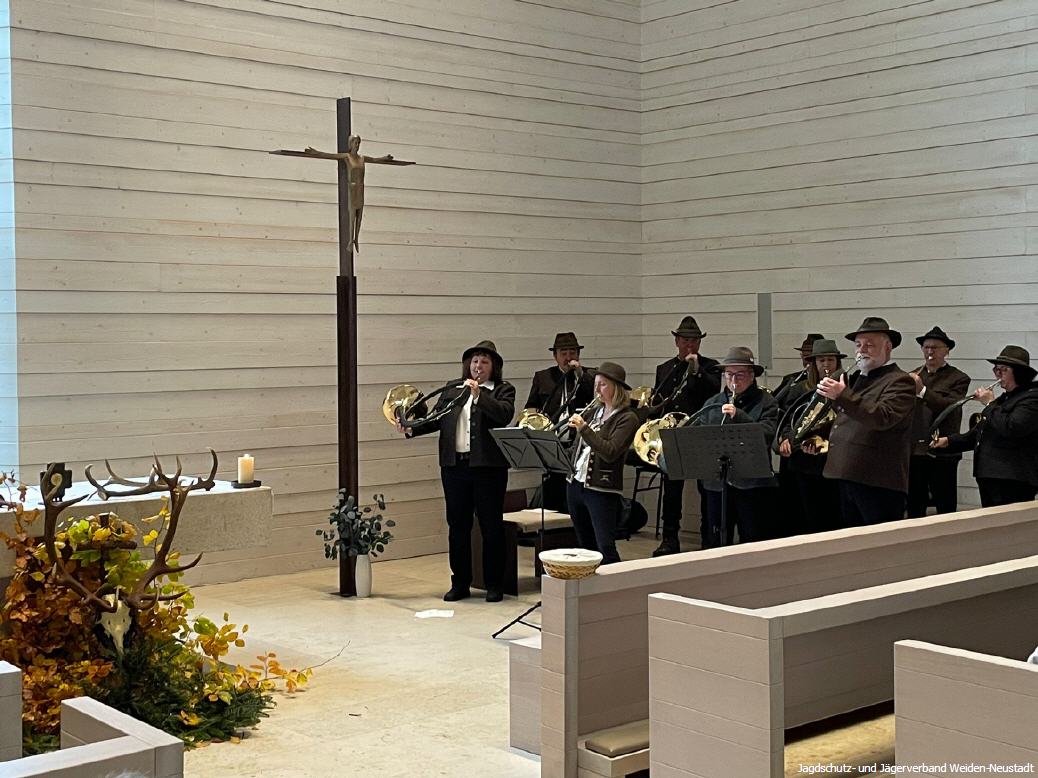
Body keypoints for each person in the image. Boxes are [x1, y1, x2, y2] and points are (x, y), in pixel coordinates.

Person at [398, 340, 516, 602]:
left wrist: (479, 396)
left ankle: (494, 584)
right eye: (475, 361)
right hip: (455, 467)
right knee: (458, 526)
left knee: (491, 527)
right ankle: (460, 582)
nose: (478, 366)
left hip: (488, 470)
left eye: (484, 362)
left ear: (493, 367)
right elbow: (437, 419)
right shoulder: (453, 389)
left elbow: (504, 415)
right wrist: (411, 428)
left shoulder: (502, 390)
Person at [818, 317, 917, 525]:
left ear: (888, 347)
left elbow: (882, 417)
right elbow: (848, 418)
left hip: (877, 480)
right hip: (846, 473)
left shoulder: (900, 380)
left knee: (878, 541)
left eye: (869, 345)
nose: (862, 350)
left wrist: (843, 395)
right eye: (858, 345)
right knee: (850, 538)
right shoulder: (856, 378)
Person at [933, 346, 1038, 507]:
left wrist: (989, 403)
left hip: (1013, 478)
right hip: (989, 476)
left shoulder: (1031, 399)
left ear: (1019, 373)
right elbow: (979, 434)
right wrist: (948, 441)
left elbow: (1012, 427)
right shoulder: (1003, 401)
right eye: (996, 369)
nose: (998, 374)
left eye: (1003, 370)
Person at [650, 316, 720, 556]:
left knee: (705, 489)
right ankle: (670, 538)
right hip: (674, 435)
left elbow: (712, 390)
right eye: (685, 340)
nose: (690, 345)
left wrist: (696, 369)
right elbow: (659, 400)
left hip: (700, 435)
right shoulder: (664, 369)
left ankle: (708, 536)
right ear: (677, 341)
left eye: (695, 341)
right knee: (671, 491)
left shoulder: (710, 367)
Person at [698, 347, 779, 546]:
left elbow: (767, 434)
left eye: (740, 375)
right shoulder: (712, 403)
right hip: (717, 484)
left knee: (752, 539)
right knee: (715, 539)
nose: (733, 380)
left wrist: (740, 416)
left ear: (752, 376)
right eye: (729, 374)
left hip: (753, 484)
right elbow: (700, 437)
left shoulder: (766, 401)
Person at [566, 362, 640, 565]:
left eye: (603, 384)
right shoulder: (592, 412)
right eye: (596, 384)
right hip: (575, 484)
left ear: (617, 388)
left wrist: (584, 429)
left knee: (605, 545)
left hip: (601, 488)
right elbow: (579, 449)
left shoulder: (627, 418)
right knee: (585, 545)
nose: (597, 389)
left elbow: (610, 452)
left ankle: (615, 582)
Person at [775, 339, 845, 533]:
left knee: (834, 516)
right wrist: (787, 438)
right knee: (808, 515)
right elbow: (787, 419)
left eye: (830, 360)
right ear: (814, 363)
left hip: (833, 461)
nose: (826, 364)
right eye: (821, 360)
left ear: (837, 362)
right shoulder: (800, 389)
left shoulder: (845, 389)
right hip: (805, 462)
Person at [524, 332, 595, 510]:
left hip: (579, 444)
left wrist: (579, 373)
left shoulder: (590, 376)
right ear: (555, 356)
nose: (568, 357)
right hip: (553, 442)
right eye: (563, 353)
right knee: (554, 489)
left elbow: (595, 396)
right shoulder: (543, 377)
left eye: (572, 352)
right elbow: (531, 407)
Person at [906, 327, 971, 517]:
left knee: (945, 503)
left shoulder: (959, 378)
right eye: (926, 347)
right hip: (916, 450)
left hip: (943, 451)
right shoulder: (914, 375)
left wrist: (922, 391)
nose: (930, 352)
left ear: (946, 351)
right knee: (915, 502)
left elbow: (950, 407)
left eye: (935, 347)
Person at [772, 333, 825, 536]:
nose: (806, 359)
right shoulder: (792, 381)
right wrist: (784, 437)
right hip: (794, 453)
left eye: (811, 355)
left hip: (819, 455)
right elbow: (780, 411)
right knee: (792, 505)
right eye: (804, 354)